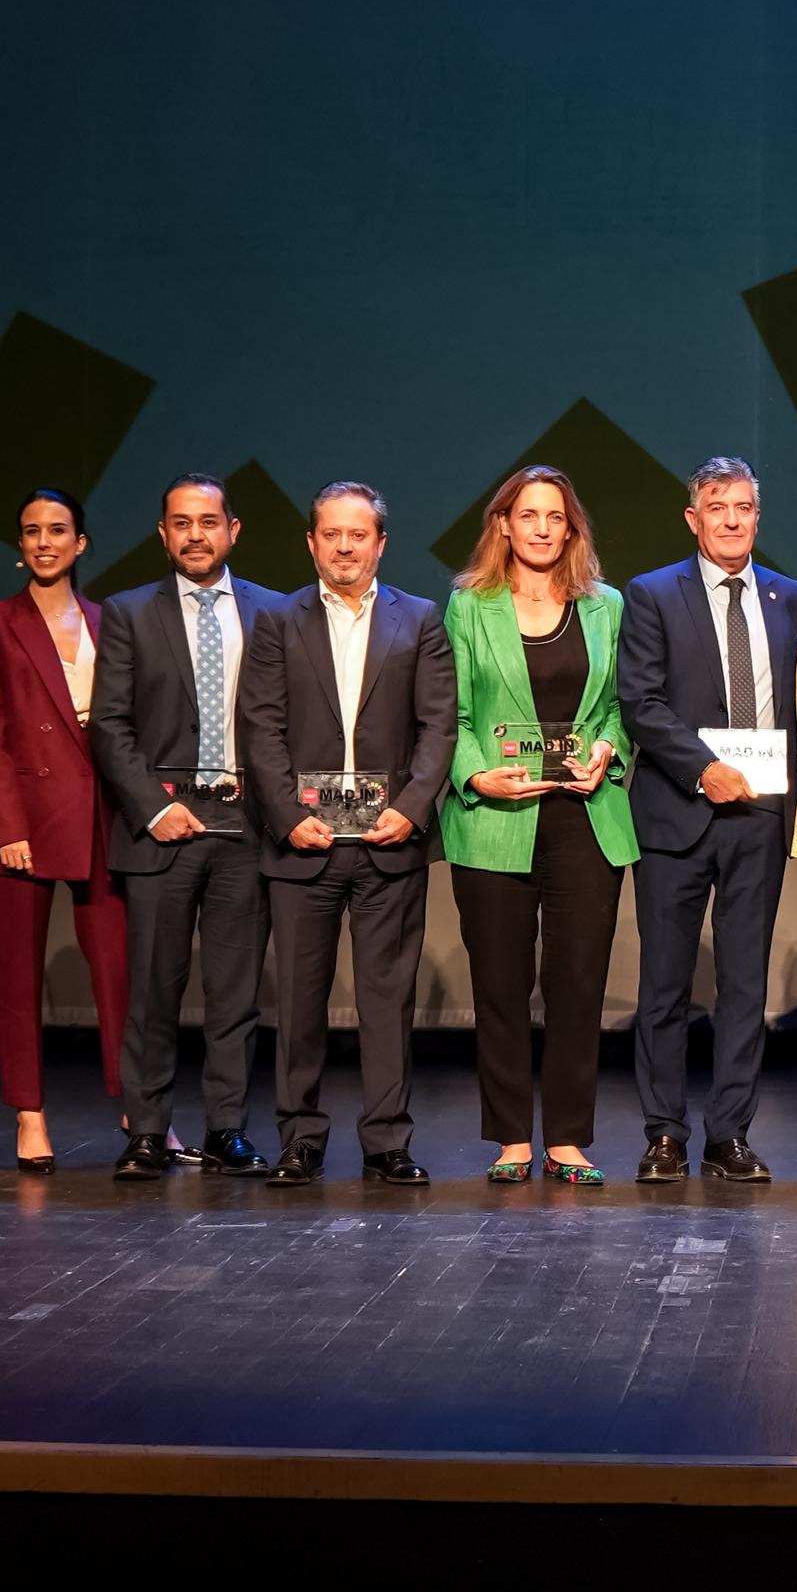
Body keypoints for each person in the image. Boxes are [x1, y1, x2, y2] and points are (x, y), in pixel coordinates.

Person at [241, 481, 452, 1184]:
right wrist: (286, 815)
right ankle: (299, 1138)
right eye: (330, 534)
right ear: (311, 543)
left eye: (357, 534)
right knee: (299, 1002)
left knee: (388, 1002)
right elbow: (261, 727)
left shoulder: (419, 619)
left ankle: (387, 1140)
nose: (343, 547)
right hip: (303, 841)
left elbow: (437, 726)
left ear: (380, 543)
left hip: (390, 840)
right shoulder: (277, 620)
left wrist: (413, 808)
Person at [620, 455, 797, 1184]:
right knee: (664, 986)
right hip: (677, 813)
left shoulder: (793, 600)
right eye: (717, 507)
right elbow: (641, 703)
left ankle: (729, 1134)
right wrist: (703, 767)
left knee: (744, 986)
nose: (731, 521)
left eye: (743, 508)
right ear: (692, 519)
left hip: (758, 816)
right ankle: (664, 1135)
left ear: (757, 518)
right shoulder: (652, 594)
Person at [442, 465, 637, 1186]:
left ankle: (568, 1139)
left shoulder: (606, 606)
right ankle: (510, 1140)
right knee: (499, 985)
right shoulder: (469, 606)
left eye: (556, 516)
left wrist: (608, 750)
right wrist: (476, 776)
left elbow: (619, 708)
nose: (543, 528)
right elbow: (453, 714)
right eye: (528, 515)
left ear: (571, 527)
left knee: (577, 984)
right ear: (503, 524)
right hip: (497, 816)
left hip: (584, 816)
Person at [89, 474, 282, 1180]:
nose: (195, 535)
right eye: (181, 523)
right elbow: (109, 725)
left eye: (208, 522)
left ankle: (227, 1129)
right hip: (161, 828)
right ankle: (146, 1131)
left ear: (233, 530)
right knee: (152, 993)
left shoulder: (274, 611)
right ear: (163, 534)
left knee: (236, 996)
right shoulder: (128, 612)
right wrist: (154, 807)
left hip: (246, 829)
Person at [0, 487, 131, 1173]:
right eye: (31, 531)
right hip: (23, 821)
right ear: (20, 544)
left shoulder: (107, 620)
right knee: (17, 975)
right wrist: (6, 826)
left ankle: (138, 1109)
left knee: (118, 970)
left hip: (99, 816)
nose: (43, 542)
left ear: (80, 543)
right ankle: (29, 1113)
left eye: (57, 530)